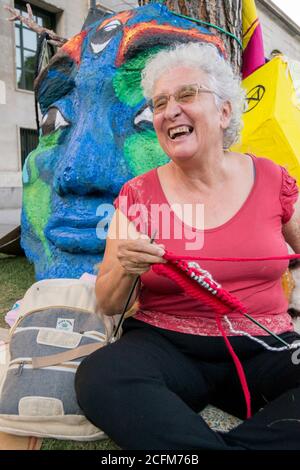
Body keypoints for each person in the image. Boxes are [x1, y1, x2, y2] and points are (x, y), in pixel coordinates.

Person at [75, 42, 300, 450]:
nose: (169, 111)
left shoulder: (272, 179)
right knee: (102, 375)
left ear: (225, 111)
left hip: (265, 346)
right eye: (159, 103)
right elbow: (109, 303)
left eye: (186, 95)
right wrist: (127, 266)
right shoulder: (138, 194)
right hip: (166, 347)